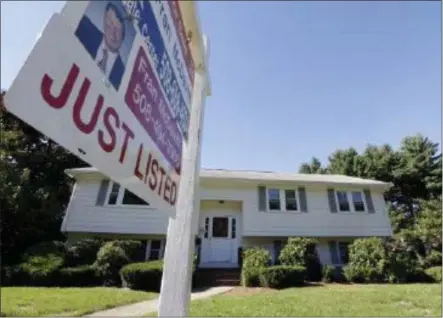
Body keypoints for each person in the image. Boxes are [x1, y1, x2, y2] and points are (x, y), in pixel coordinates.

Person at [75, 2, 127, 91]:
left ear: (123, 36)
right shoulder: (83, 28)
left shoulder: (123, 74)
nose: (113, 34)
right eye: (109, 25)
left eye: (118, 29)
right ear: (104, 23)